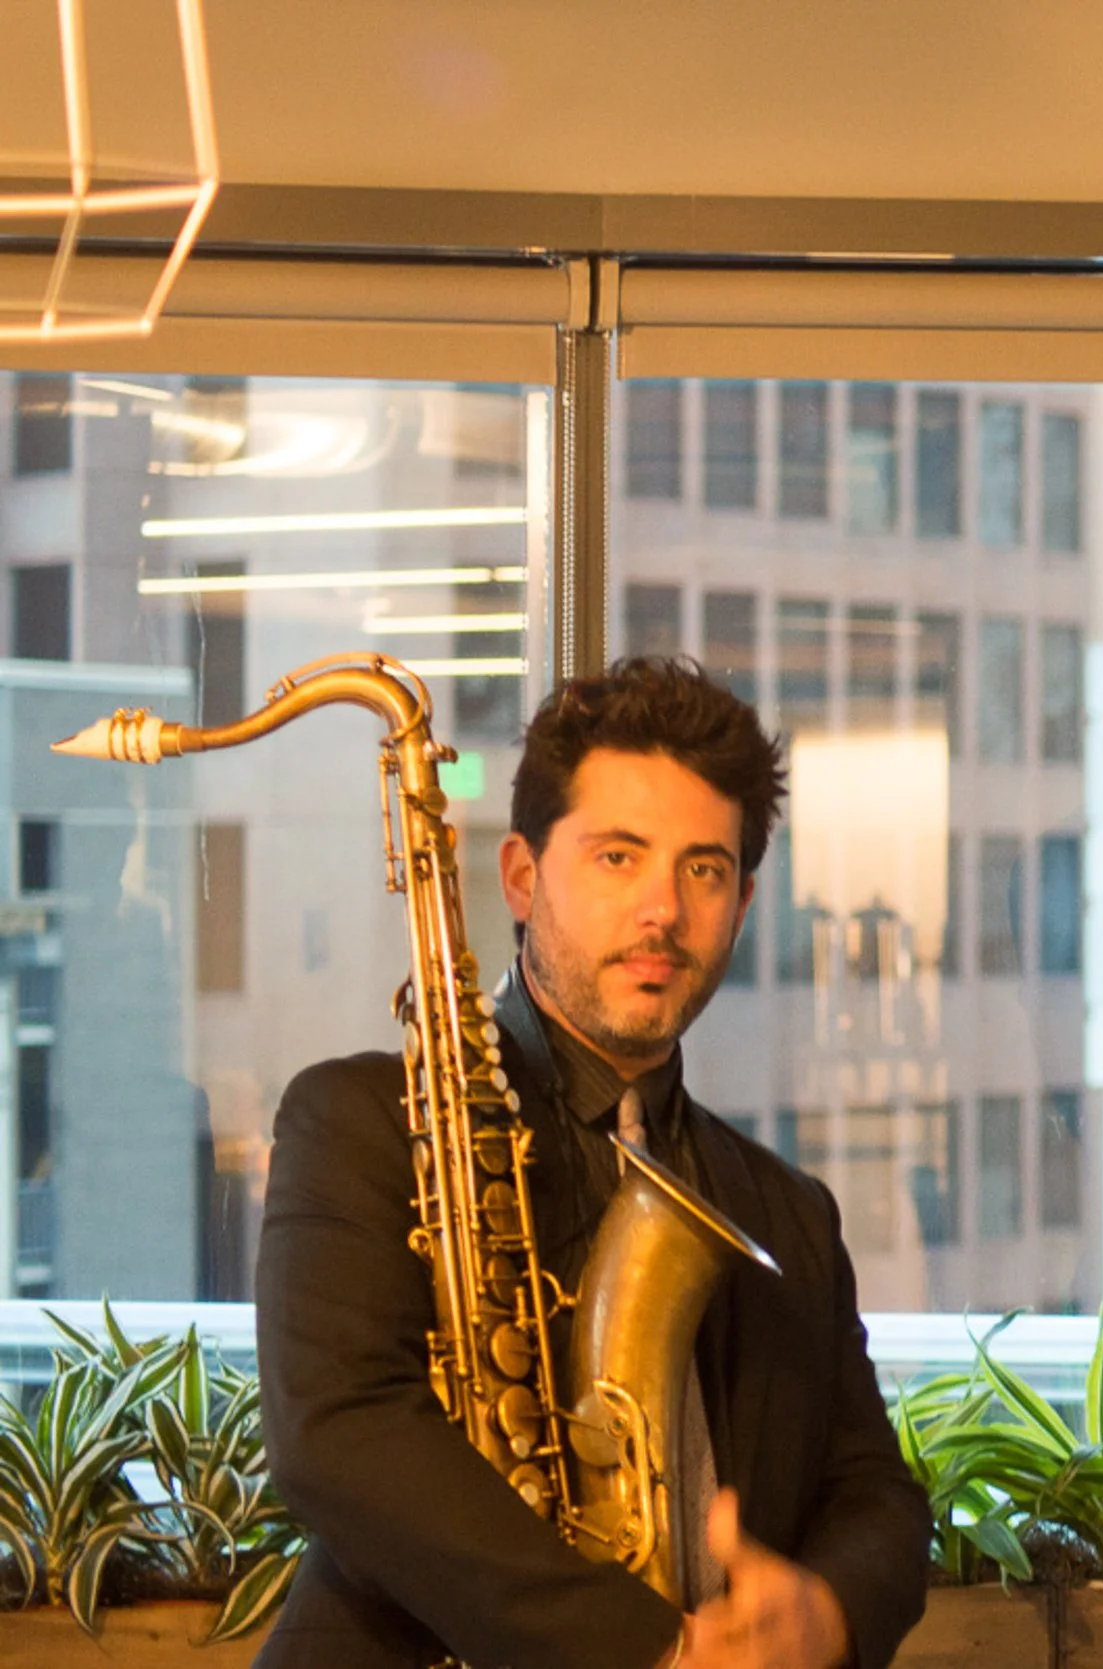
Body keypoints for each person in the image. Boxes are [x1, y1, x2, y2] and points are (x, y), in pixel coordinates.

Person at [255, 658, 929, 1669]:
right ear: (522, 875)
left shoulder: (788, 1212)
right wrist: (654, 1655)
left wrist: (824, 1612)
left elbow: (875, 1492)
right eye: (619, 857)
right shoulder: (364, 1122)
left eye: (702, 868)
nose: (662, 909)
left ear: (741, 902)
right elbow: (339, 1434)